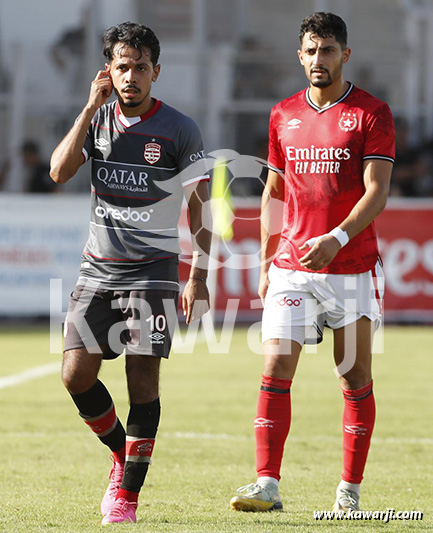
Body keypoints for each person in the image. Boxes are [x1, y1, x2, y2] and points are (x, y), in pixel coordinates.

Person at [230, 12, 395, 513]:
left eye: (327, 51)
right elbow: (273, 194)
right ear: (299, 55)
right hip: (292, 266)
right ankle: (267, 484)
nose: (318, 59)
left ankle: (349, 491)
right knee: (276, 366)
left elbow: (378, 192)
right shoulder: (283, 114)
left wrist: (338, 237)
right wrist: (264, 263)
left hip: (352, 266)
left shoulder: (371, 113)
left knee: (353, 376)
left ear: (345, 54)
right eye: (310, 50)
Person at [50, 22, 211, 525]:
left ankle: (128, 496)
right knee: (75, 375)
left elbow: (200, 209)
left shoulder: (180, 130)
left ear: (156, 72)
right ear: (109, 71)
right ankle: (124, 455)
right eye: (122, 66)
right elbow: (58, 172)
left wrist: (198, 275)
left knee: (142, 376)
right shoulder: (96, 121)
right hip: (97, 269)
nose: (131, 76)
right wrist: (86, 109)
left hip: (154, 272)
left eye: (141, 67)